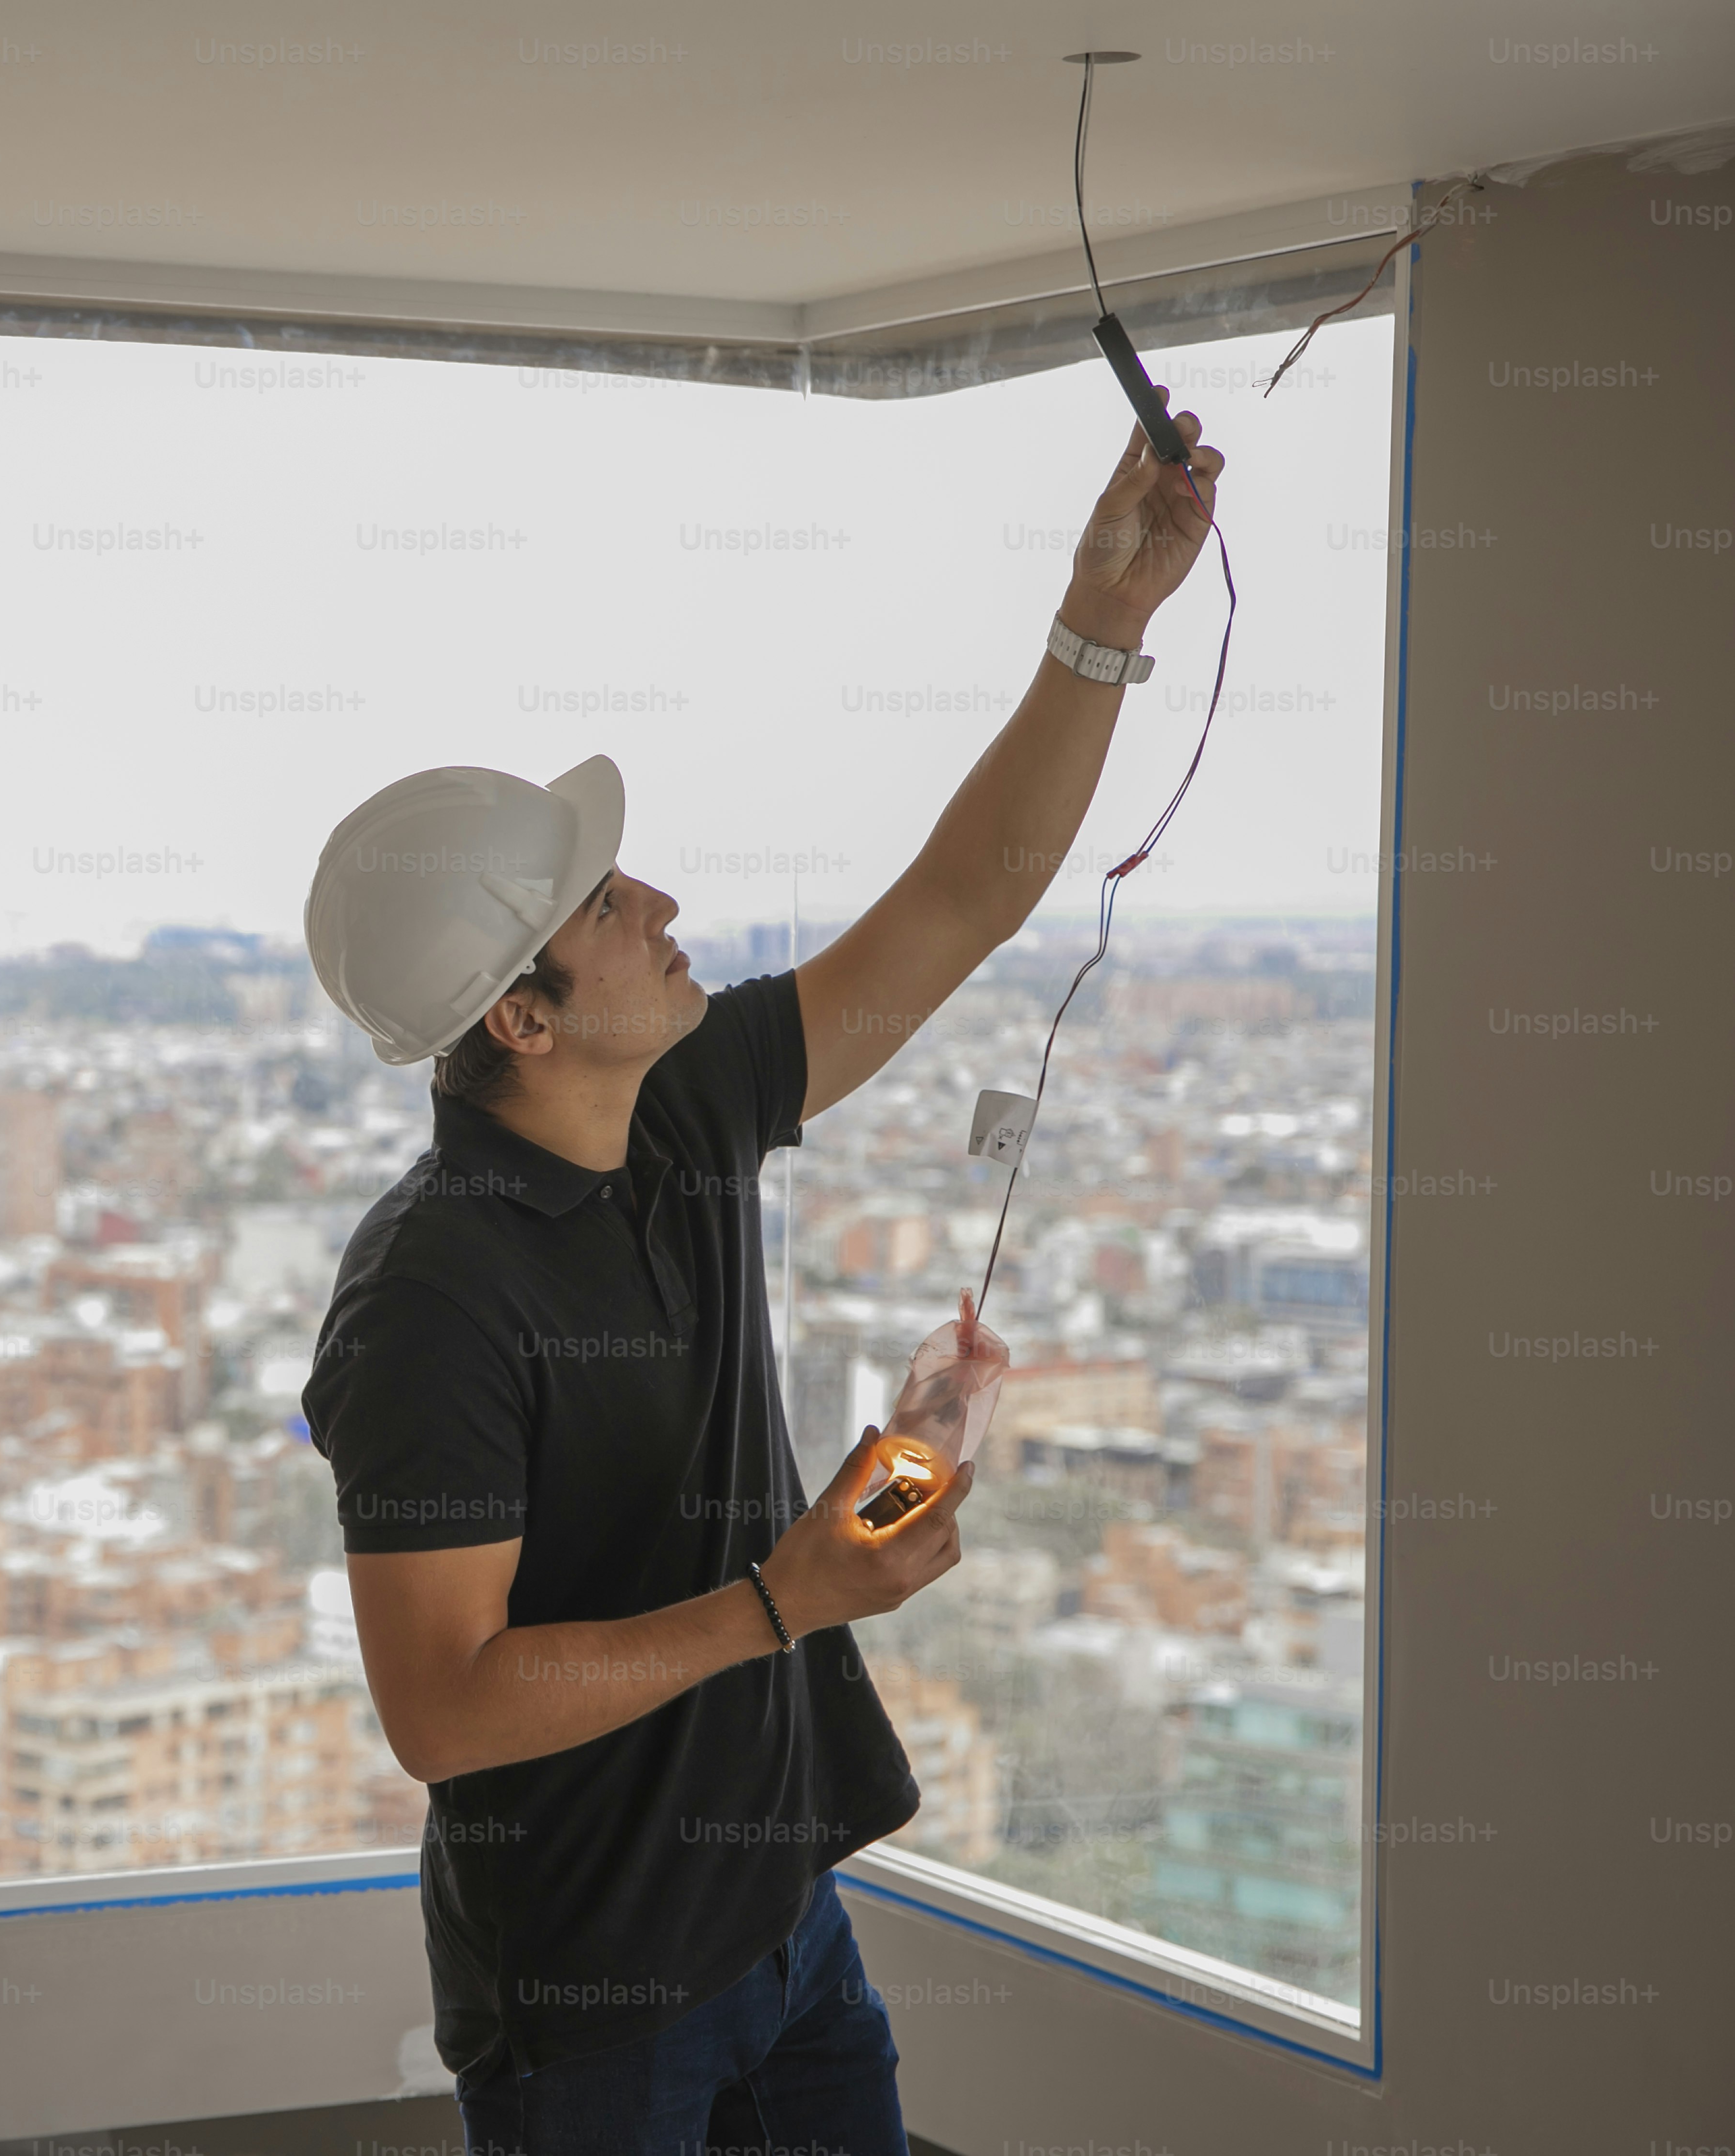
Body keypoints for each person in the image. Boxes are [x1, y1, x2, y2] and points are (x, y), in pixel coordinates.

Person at [299, 403, 1228, 2155]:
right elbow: (440, 1711)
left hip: (781, 1919)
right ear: (520, 1019)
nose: (654, 898)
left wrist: (1100, 622)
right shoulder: (429, 1296)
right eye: (596, 909)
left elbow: (960, 901)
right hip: (589, 1999)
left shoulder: (677, 1108)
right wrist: (778, 1604)